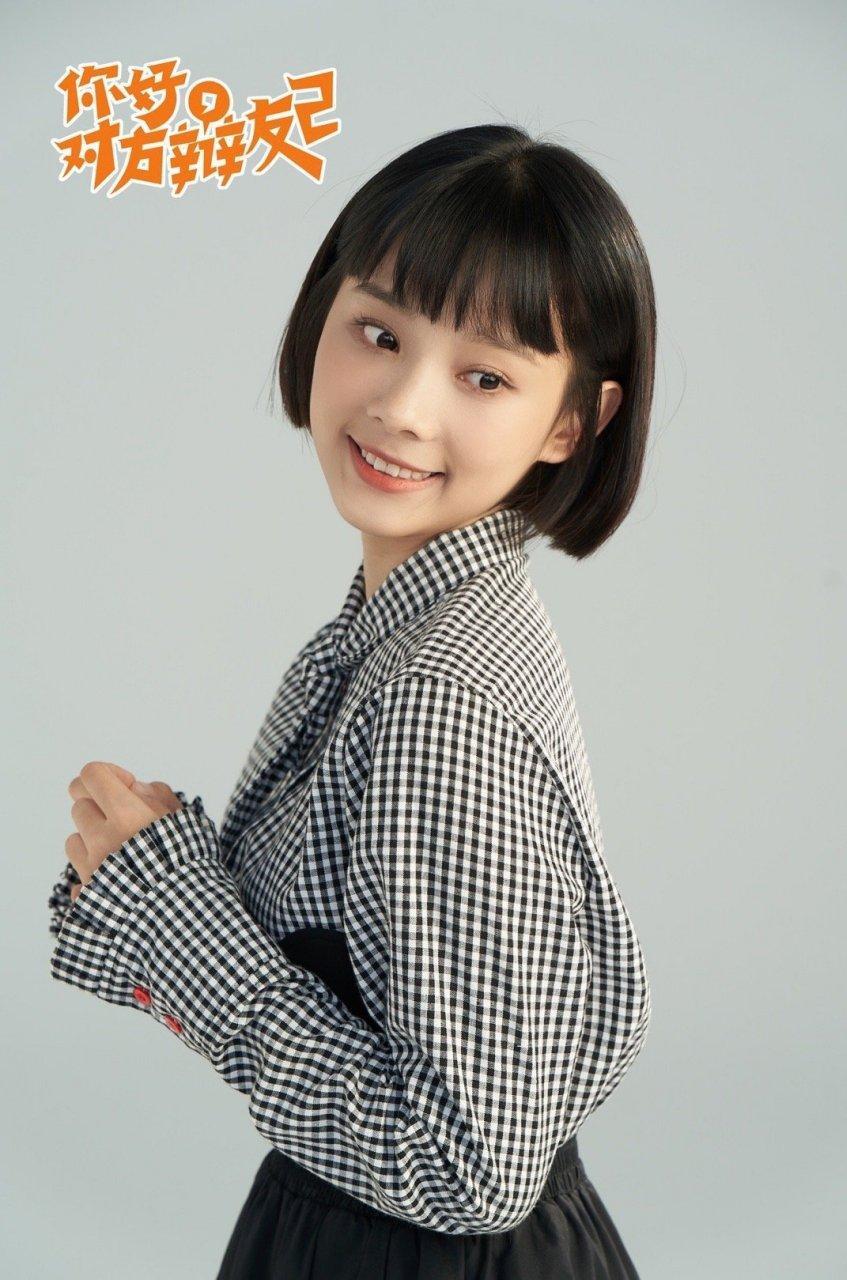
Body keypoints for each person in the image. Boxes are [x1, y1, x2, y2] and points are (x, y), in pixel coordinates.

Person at [48, 122, 656, 1278]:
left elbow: (466, 1167)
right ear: (320, 310)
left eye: (484, 375)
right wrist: (154, 884)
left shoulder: (436, 695)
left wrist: (178, 915)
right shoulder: (395, 630)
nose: (404, 406)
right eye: (379, 332)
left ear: (570, 423)